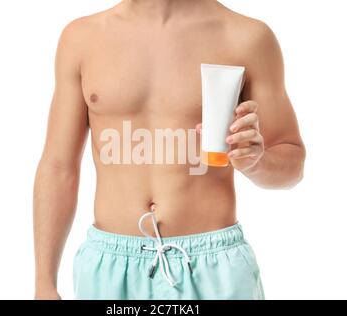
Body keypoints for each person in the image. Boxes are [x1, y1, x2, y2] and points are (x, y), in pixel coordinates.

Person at [33, 0, 306, 300]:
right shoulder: (82, 38)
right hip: (109, 268)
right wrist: (44, 283)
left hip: (213, 268)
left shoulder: (247, 37)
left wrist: (256, 161)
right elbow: (59, 166)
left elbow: (292, 164)